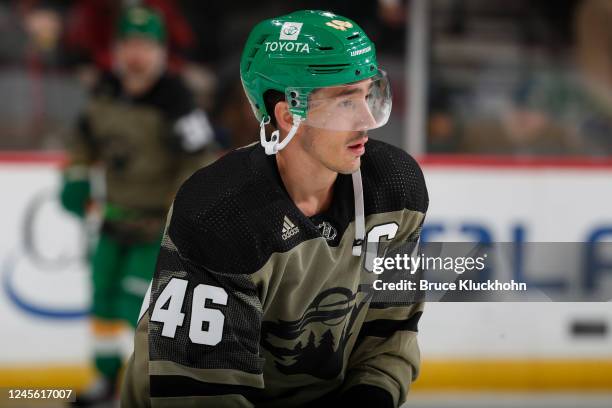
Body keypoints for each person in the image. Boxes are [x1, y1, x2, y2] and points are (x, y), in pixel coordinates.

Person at [122, 9, 428, 408]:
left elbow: (390, 333)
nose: (369, 119)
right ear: (288, 115)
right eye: (345, 101)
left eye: (370, 94)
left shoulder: (395, 189)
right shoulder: (218, 213)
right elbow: (202, 389)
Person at [60, 6, 217, 407]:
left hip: (155, 231)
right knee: (101, 299)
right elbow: (83, 141)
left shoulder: (177, 99)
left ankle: (143, 381)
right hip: (112, 222)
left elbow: (199, 160)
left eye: (147, 46)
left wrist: (177, 209)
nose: (137, 55)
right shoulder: (106, 90)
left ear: (162, 52)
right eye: (129, 44)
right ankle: (106, 379)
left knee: (138, 307)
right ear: (115, 49)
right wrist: (76, 175)